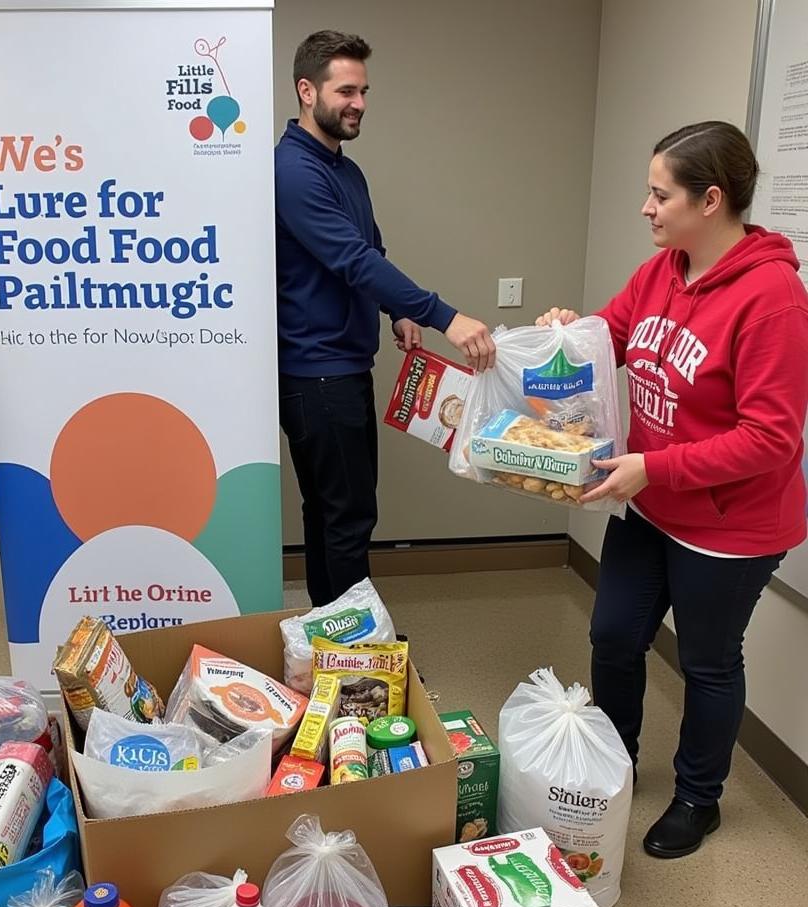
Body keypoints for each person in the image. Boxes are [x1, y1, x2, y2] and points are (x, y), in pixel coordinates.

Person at [538, 121, 808, 859]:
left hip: (731, 525)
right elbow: (612, 337)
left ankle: (698, 798)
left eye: (661, 194)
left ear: (711, 199)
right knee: (613, 636)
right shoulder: (664, 268)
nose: (647, 207)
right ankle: (616, 760)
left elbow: (773, 438)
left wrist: (655, 467)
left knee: (709, 662)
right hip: (653, 505)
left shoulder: (773, 298)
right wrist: (571, 333)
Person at [275, 30, 496, 606]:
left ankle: (330, 642)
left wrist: (398, 310)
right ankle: (353, 656)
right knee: (346, 517)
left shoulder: (344, 170)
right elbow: (349, 260)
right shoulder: (294, 173)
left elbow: (368, 250)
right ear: (307, 90)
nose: (360, 104)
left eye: (365, 91)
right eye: (346, 90)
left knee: (332, 513)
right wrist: (447, 317)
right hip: (316, 374)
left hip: (340, 369)